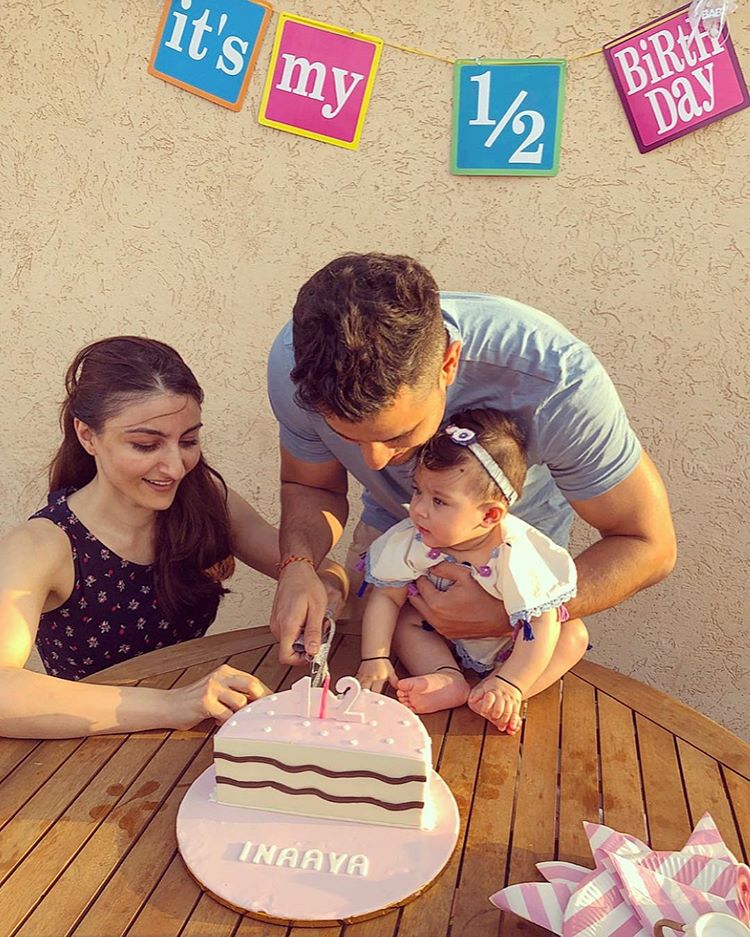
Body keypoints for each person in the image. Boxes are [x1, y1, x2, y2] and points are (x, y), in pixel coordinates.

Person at [267, 252, 676, 667]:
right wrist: (298, 564)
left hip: (515, 573)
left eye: (398, 436)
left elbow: (649, 545)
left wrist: (516, 611)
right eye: (346, 437)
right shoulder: (293, 367)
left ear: (448, 364)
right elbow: (310, 485)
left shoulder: (556, 380)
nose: (375, 463)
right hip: (393, 552)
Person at [0, 337, 347, 740]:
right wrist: (175, 704)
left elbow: (317, 569)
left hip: (193, 736)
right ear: (87, 435)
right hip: (87, 753)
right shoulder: (43, 544)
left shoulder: (204, 499)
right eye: (146, 445)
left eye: (188, 441)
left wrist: (320, 592)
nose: (175, 467)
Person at [356, 410, 588, 734]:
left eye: (439, 501)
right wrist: (375, 657)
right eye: (418, 491)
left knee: (572, 635)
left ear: (490, 515)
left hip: (513, 647)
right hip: (443, 639)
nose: (419, 509)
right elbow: (386, 597)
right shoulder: (412, 538)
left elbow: (539, 622)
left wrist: (513, 679)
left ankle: (504, 691)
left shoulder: (517, 552)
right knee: (404, 619)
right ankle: (445, 676)